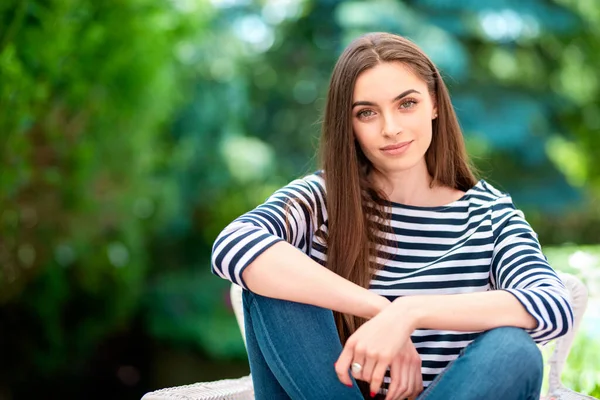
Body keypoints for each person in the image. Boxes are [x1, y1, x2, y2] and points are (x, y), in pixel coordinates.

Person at [211, 32, 574, 400]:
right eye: (367, 112)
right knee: (272, 279)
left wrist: (409, 314)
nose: (391, 128)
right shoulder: (323, 199)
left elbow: (552, 304)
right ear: (348, 125)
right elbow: (234, 243)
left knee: (513, 350)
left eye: (407, 104)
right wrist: (377, 308)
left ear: (433, 103)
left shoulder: (491, 216)